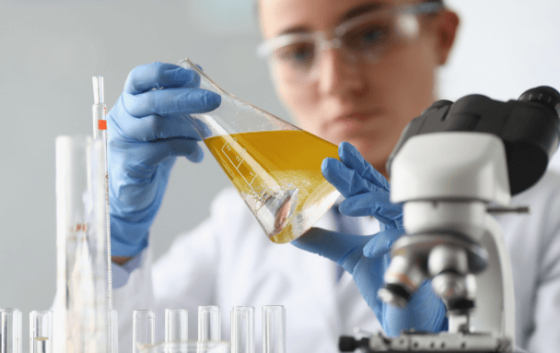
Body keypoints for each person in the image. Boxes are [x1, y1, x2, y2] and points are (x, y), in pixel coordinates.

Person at [106, 0, 560, 352]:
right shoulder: (235, 229)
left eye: (370, 34)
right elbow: (99, 342)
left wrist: (447, 342)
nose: (336, 81)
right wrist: (115, 242)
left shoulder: (548, 212)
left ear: (441, 34)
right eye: (298, 51)